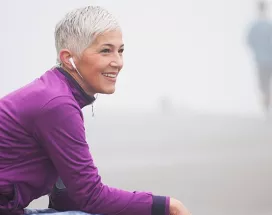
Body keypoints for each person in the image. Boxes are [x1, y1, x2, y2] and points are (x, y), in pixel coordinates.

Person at [0, 5, 191, 215]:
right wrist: (167, 206)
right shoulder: (57, 104)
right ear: (68, 58)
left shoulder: (55, 94)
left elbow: (68, 198)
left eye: (120, 51)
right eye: (105, 51)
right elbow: (91, 196)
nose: (118, 62)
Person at [247, 0, 272, 117]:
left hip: (261, 61)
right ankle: (266, 108)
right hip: (268, 60)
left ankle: (266, 109)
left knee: (263, 86)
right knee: (266, 86)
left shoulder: (255, 26)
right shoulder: (269, 26)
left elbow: (249, 42)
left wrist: (257, 51)